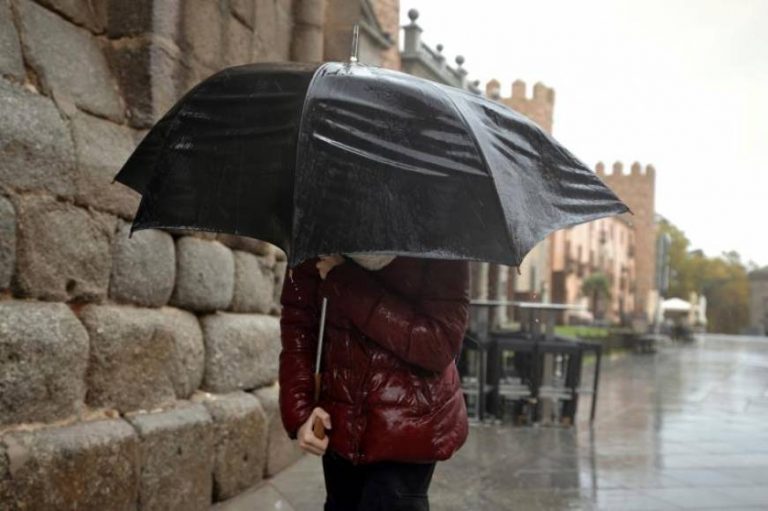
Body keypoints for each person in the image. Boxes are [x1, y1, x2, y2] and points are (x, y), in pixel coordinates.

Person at [279, 253, 470, 511]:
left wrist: (346, 284)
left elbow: (438, 345)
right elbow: (299, 324)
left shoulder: (440, 239)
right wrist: (300, 410)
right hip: (339, 421)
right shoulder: (322, 232)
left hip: (410, 425)